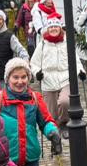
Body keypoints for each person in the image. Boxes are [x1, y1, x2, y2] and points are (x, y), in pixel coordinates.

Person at [29, 14, 72, 149]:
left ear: (60, 28)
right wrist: (37, 73)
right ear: (48, 29)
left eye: (56, 27)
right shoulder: (42, 45)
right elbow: (34, 63)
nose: (54, 29)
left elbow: (75, 59)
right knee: (51, 114)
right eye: (51, 27)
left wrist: (80, 71)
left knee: (65, 101)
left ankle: (64, 123)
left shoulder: (66, 42)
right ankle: (55, 141)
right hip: (48, 81)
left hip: (65, 78)